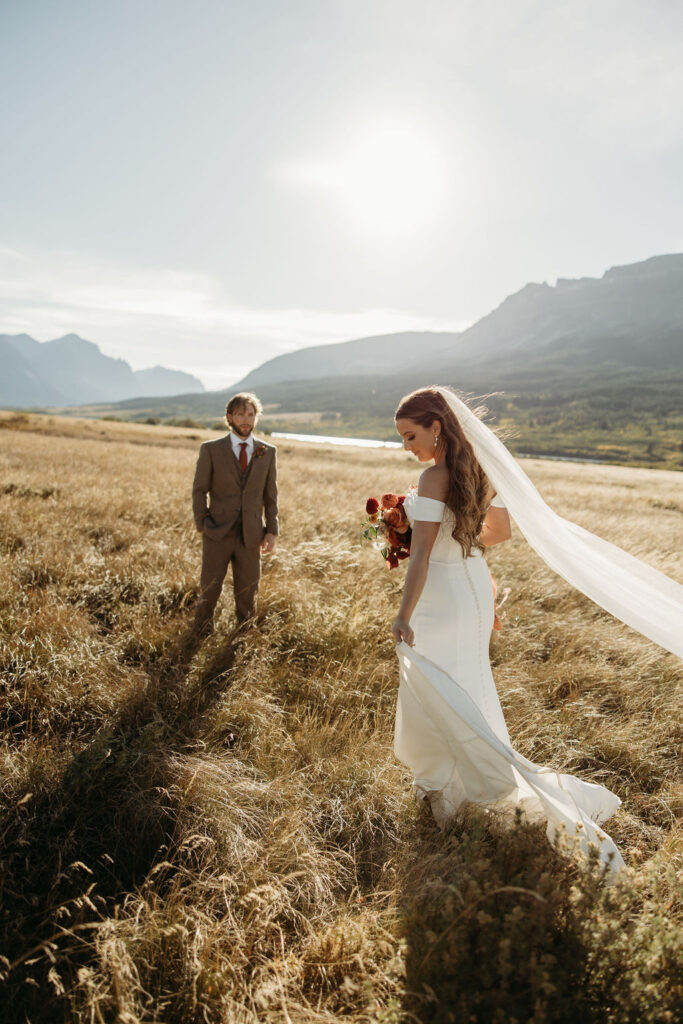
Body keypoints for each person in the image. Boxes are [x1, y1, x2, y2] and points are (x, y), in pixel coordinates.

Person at [390, 387, 632, 872]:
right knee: (466, 681)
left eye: (410, 435)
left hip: (443, 596)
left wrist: (403, 613)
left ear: (436, 427)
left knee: (438, 683)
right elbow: (497, 532)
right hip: (473, 587)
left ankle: (457, 786)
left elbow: (420, 556)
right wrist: (456, 542)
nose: (406, 446)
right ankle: (462, 782)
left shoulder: (434, 475)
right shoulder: (476, 469)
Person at [192, 392, 278, 635]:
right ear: (230, 417)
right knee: (209, 589)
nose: (246, 419)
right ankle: (200, 633)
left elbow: (271, 496)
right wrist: (202, 523)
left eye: (251, 414)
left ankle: (242, 638)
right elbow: (199, 490)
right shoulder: (211, 450)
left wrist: (271, 531)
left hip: (251, 536)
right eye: (240, 414)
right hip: (216, 532)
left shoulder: (267, 451)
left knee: (248, 591)